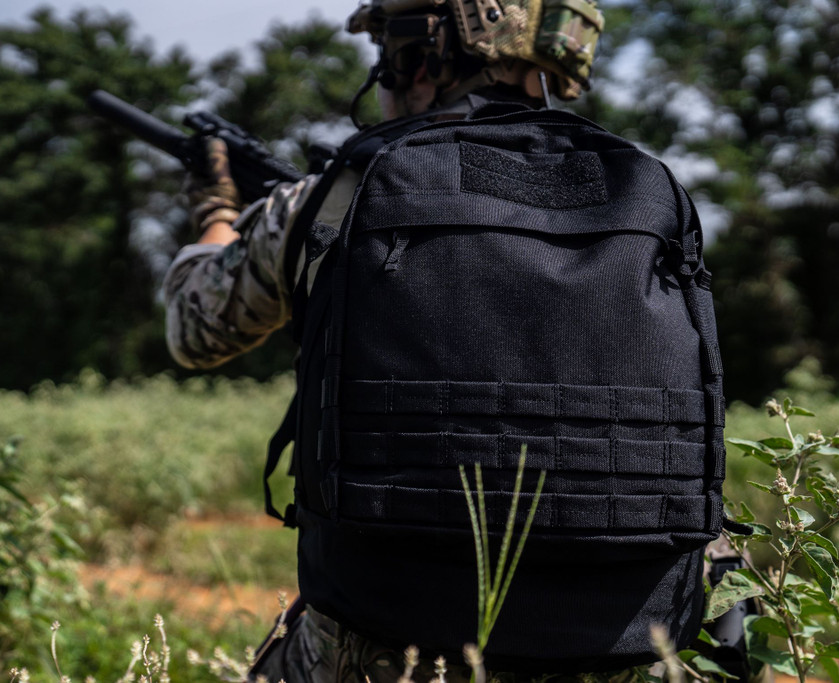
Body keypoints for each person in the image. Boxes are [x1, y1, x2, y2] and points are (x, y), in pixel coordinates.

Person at [160, 2, 661, 681]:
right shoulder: (644, 196)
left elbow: (197, 329)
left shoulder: (332, 198)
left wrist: (216, 214)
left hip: (393, 643)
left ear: (416, 57)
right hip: (626, 642)